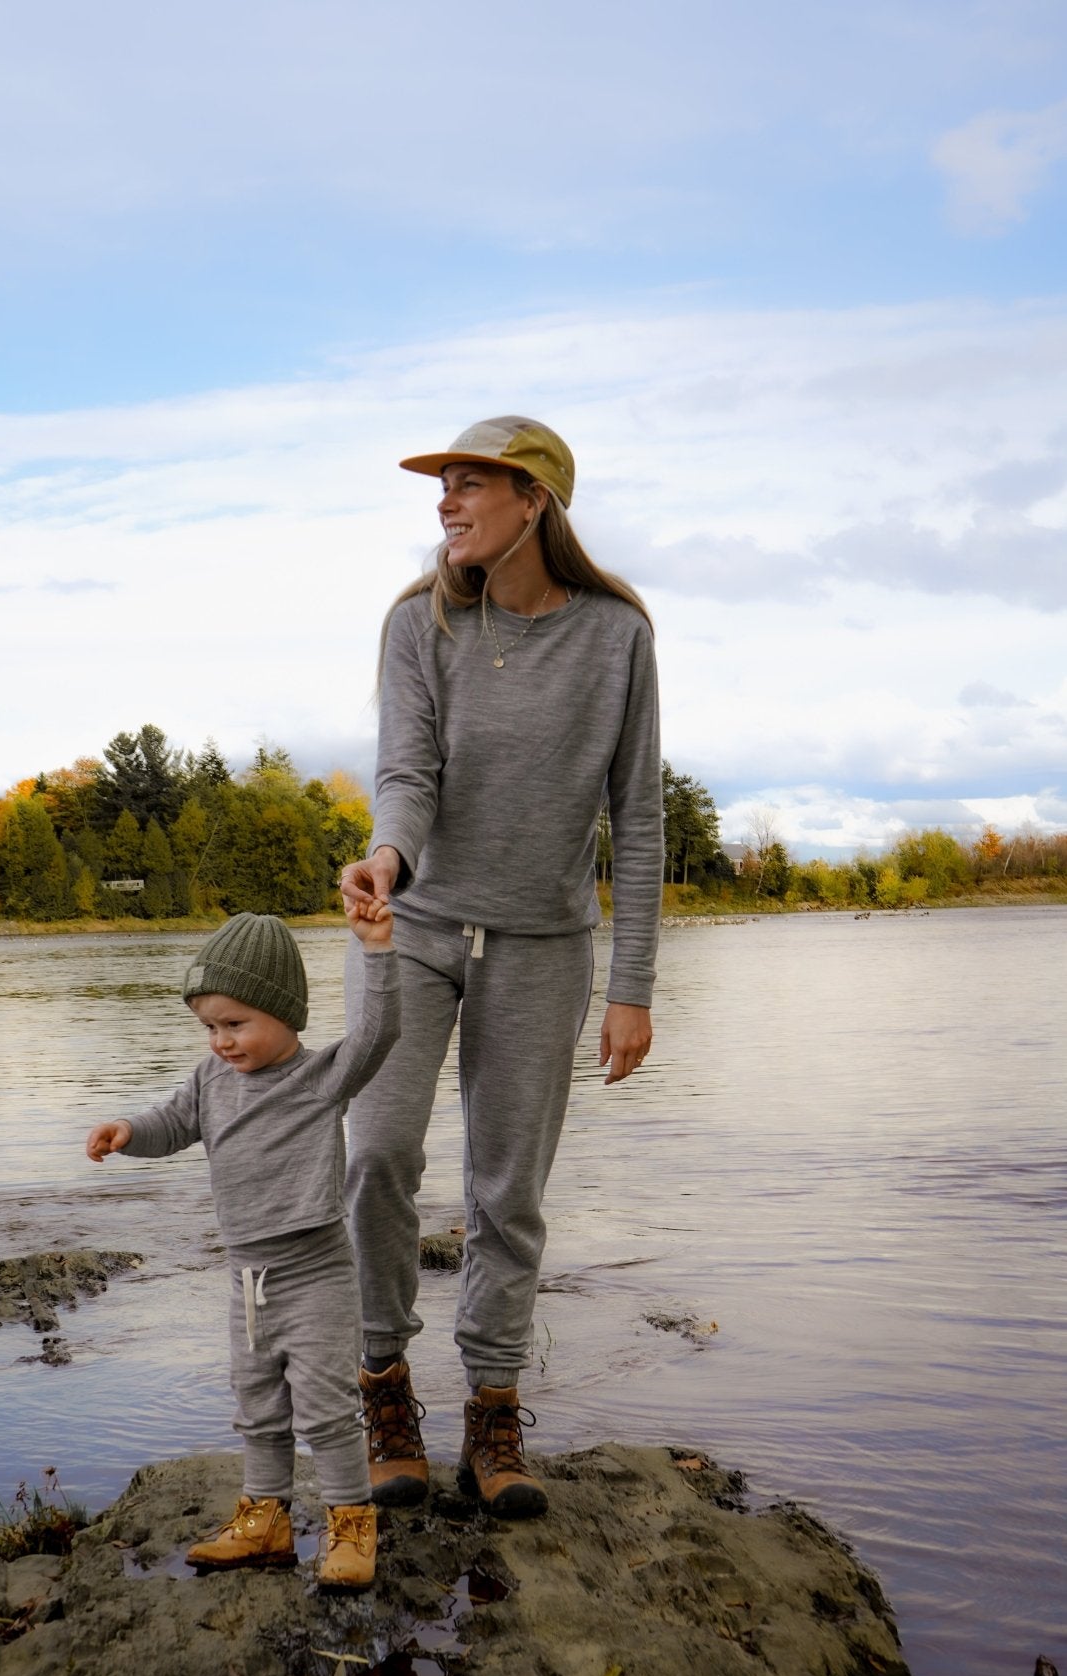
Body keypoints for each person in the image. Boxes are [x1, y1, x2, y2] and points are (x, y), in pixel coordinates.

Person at [340, 415, 663, 1520]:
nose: (446, 501)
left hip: (543, 941)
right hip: (412, 927)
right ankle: (383, 1383)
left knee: (506, 1187)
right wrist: (385, 856)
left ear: (535, 502)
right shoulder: (417, 622)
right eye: (444, 484)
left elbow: (640, 816)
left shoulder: (617, 634)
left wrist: (634, 985)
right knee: (377, 1149)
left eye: (470, 483)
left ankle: (491, 1409)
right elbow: (407, 772)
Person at [86, 905, 400, 1588]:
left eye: (235, 1024)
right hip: (247, 1276)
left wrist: (377, 952)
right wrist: (127, 1131)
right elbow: (173, 1122)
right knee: (256, 1400)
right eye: (209, 1027)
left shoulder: (320, 1077)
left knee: (323, 1407)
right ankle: (265, 1520)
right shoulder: (210, 1081)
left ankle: (351, 1522)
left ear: (285, 1014)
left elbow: (379, 1033)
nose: (220, 1041)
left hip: (314, 1272)